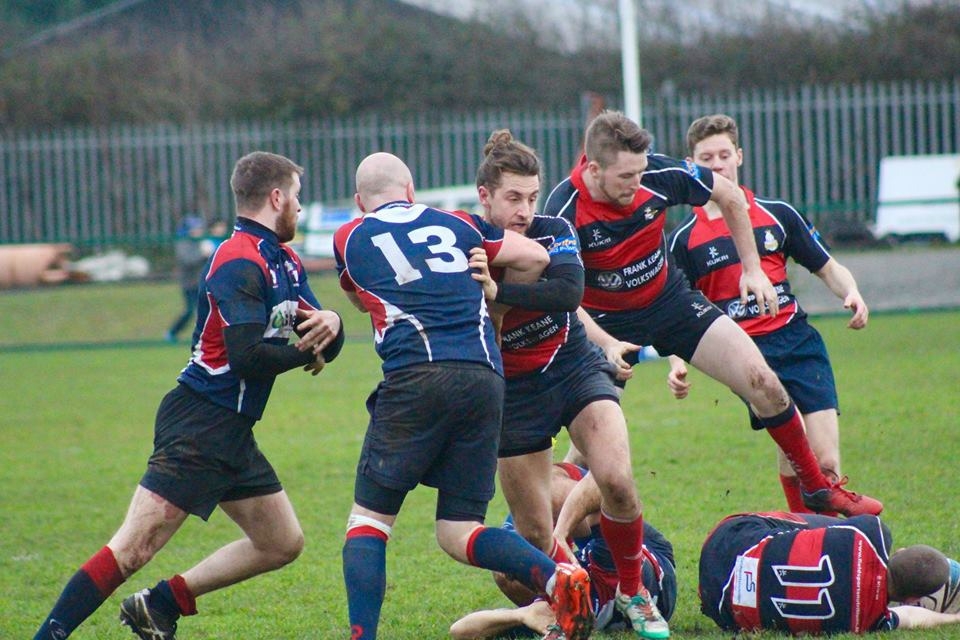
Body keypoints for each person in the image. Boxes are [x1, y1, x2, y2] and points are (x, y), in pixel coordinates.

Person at [32, 151, 346, 640]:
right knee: (132, 549)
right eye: (298, 199)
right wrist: (311, 345)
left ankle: (160, 605)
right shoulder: (236, 260)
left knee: (281, 542)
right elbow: (246, 357)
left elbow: (325, 334)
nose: (301, 211)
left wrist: (336, 323)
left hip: (232, 429)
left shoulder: (284, 260)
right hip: (200, 423)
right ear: (277, 197)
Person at [540, 110, 881, 518]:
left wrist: (753, 269)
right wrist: (608, 343)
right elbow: (564, 296)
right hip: (602, 324)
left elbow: (730, 196)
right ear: (593, 168)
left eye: (640, 172)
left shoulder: (660, 173)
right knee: (592, 456)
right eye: (625, 177)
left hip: (671, 305)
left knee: (764, 382)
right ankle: (550, 537)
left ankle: (816, 488)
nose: (637, 183)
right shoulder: (564, 210)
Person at [331, 151, 593, 640]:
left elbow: (357, 290)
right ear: (411, 191)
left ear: (358, 202)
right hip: (486, 379)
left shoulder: (350, 234)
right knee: (458, 531)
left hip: (416, 377)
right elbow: (535, 257)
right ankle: (559, 575)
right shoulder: (460, 224)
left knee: (368, 523)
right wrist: (492, 295)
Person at [473, 129, 669, 639]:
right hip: (513, 394)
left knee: (617, 480)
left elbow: (567, 292)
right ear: (485, 196)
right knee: (535, 534)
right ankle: (578, 590)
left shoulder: (554, 228)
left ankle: (632, 589)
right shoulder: (464, 244)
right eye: (513, 197)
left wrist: (500, 291)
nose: (525, 209)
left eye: (532, 196)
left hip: (571, 369)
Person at [667, 113, 870, 513]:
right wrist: (677, 362)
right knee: (798, 452)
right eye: (706, 158)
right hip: (744, 355)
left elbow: (827, 266)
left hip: (798, 343)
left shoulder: (778, 214)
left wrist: (852, 292)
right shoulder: (683, 241)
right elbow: (678, 312)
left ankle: (816, 538)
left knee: (824, 464)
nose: (717, 164)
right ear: (693, 167)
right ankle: (812, 537)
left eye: (724, 154)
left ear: (739, 156)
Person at [449, 464, 677, 640]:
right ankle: (579, 450)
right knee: (555, 489)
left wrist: (559, 534)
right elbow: (460, 632)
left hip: (621, 563)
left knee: (554, 492)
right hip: (651, 560)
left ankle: (574, 457)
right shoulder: (597, 576)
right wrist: (523, 615)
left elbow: (460, 631)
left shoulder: (564, 608)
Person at [699, 511, 960, 633]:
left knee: (828, 528)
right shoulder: (873, 621)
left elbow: (850, 527)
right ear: (911, 598)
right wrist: (954, 619)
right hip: (722, 610)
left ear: (899, 551)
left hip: (725, 540)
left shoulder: (872, 533)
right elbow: (911, 617)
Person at [164, 213, 209, 343]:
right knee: (190, 310)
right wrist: (203, 253)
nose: (199, 231)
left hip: (201, 283)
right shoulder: (183, 243)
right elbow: (189, 260)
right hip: (190, 283)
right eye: (196, 228)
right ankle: (172, 333)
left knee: (207, 311)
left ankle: (205, 337)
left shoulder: (200, 241)